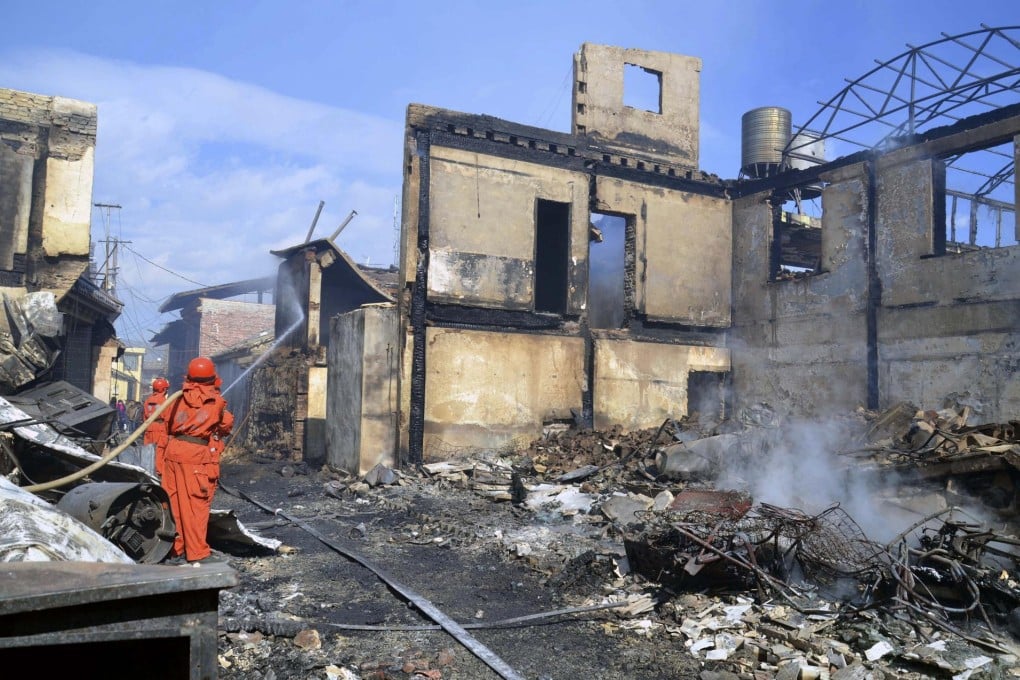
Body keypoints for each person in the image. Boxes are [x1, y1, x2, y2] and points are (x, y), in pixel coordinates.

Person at [161, 357, 234, 564]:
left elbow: (166, 423)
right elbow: (226, 425)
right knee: (195, 505)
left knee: (173, 502)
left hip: (172, 451)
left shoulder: (176, 399)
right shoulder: (216, 401)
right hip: (195, 455)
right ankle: (197, 553)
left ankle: (176, 550)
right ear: (212, 378)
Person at [143, 377, 171, 476]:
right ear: (164, 389)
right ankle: (159, 473)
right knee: (160, 452)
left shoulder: (147, 400)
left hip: (149, 428)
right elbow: (168, 418)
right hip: (161, 428)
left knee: (148, 451)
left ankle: (147, 472)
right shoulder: (165, 401)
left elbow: (144, 417)